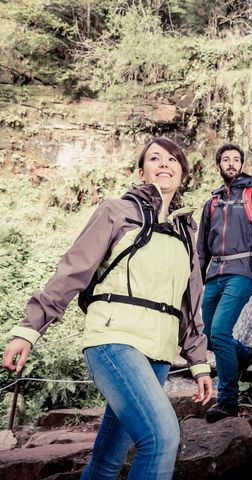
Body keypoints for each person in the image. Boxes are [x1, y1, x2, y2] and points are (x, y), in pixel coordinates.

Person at [2, 136, 213, 480]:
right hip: (114, 339)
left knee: (107, 461)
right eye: (154, 158)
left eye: (172, 159)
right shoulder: (117, 211)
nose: (164, 164)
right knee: (161, 438)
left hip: (158, 352)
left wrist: (199, 363)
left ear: (183, 173)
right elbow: (73, 270)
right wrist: (29, 329)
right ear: (142, 171)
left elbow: (190, 302)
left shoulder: (186, 229)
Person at [197, 143, 252, 423]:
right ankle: (244, 355)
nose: (231, 163)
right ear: (219, 165)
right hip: (214, 274)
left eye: (236, 159)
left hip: (242, 272)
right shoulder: (211, 203)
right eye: (226, 159)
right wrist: (194, 283)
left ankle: (227, 401)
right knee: (209, 335)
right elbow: (201, 249)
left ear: (242, 164)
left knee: (221, 331)